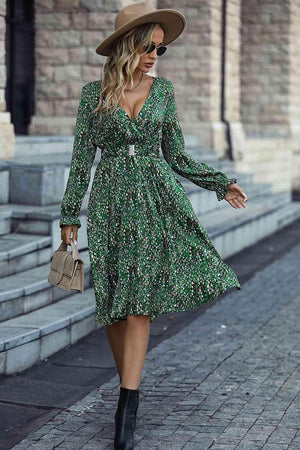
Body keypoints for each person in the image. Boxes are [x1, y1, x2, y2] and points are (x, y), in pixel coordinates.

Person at [59, 2, 247, 448]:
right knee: (113, 303)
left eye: (160, 50)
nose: (153, 57)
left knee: (139, 303)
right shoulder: (93, 95)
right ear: (127, 44)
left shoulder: (163, 94)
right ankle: (128, 382)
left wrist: (220, 183)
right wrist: (69, 217)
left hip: (154, 199)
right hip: (108, 204)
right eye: (147, 47)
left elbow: (176, 156)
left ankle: (127, 406)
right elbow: (81, 161)